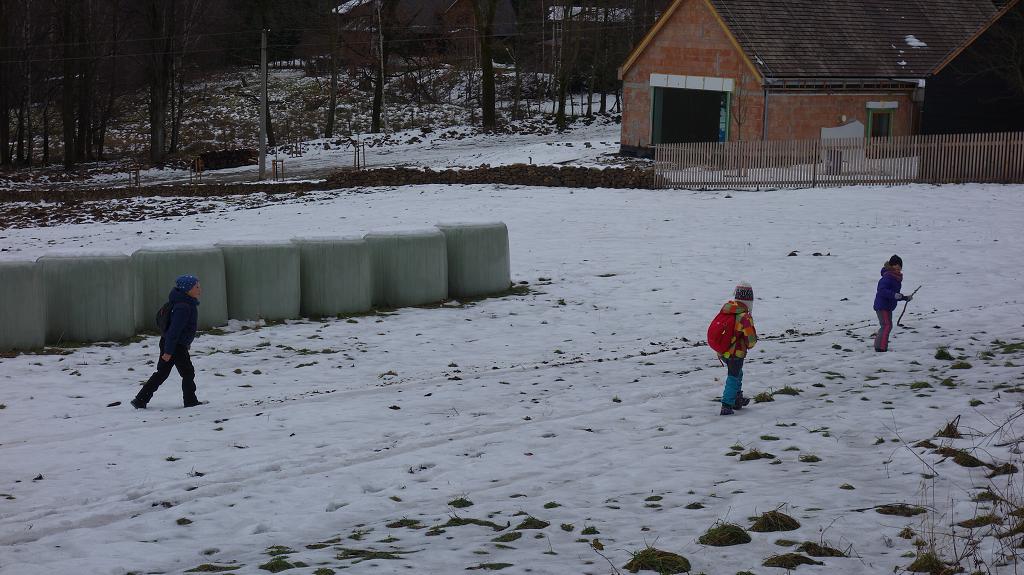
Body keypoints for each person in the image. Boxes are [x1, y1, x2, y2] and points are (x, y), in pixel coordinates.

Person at [131, 275, 202, 409]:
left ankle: (140, 399)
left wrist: (185, 343)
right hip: (174, 346)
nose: (200, 289)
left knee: (162, 373)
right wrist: (168, 351)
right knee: (187, 372)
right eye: (196, 287)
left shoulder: (184, 303)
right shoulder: (184, 307)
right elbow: (174, 331)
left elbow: (181, 330)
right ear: (187, 290)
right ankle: (190, 401)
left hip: (173, 344)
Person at [718, 282, 758, 415]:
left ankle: (736, 398)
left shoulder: (727, 309)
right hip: (736, 353)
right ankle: (727, 404)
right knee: (733, 376)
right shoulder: (744, 317)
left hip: (722, 351)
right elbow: (751, 341)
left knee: (737, 373)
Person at [873, 255, 911, 352]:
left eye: (900, 268)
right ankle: (881, 347)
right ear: (891, 266)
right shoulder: (888, 277)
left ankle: (879, 345)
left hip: (888, 306)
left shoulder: (895, 278)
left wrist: (904, 297)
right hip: (882, 306)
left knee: (886, 325)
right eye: (896, 267)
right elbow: (882, 291)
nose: (898, 269)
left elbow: (895, 294)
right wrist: (894, 295)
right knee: (887, 325)